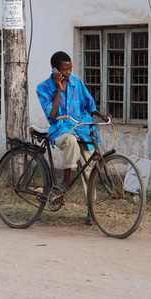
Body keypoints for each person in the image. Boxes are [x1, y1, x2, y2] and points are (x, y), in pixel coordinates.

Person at [36, 51, 111, 223]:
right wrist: (57, 88)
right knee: (70, 142)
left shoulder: (76, 82)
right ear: (55, 69)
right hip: (61, 130)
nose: (69, 72)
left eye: (70, 68)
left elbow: (89, 105)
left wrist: (102, 115)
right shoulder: (43, 88)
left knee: (88, 170)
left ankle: (91, 211)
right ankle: (66, 181)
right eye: (65, 69)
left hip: (82, 128)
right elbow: (52, 114)